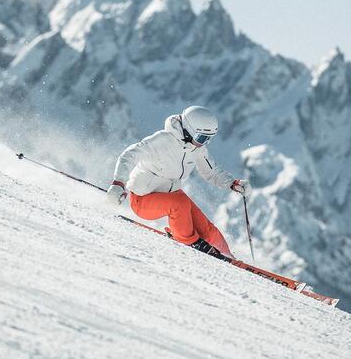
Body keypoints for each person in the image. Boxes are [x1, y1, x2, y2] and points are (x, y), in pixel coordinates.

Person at [106, 106, 251, 259]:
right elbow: (129, 155)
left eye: (209, 138)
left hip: (171, 195)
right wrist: (118, 183)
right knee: (179, 203)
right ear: (189, 130)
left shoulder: (197, 149)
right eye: (201, 138)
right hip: (142, 199)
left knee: (207, 229)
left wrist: (232, 183)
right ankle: (189, 242)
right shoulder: (162, 140)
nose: (203, 143)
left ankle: (227, 256)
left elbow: (211, 172)